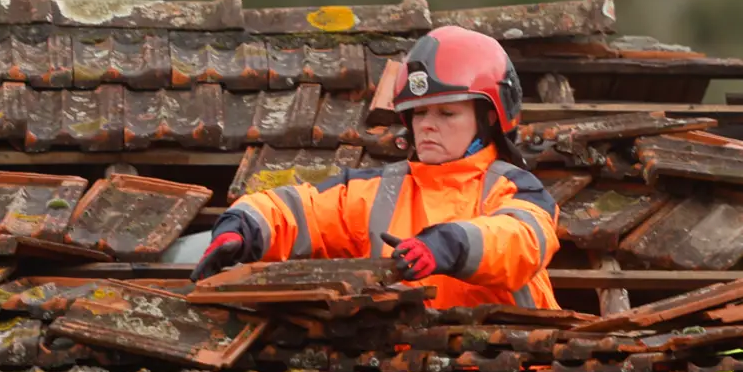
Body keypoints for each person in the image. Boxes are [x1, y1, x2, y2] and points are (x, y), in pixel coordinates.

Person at [190, 24, 560, 310]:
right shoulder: (379, 191)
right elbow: (299, 210)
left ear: (490, 118)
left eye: (447, 112)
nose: (427, 125)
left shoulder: (518, 190)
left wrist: (449, 245)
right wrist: (244, 228)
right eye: (419, 113)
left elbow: (521, 241)